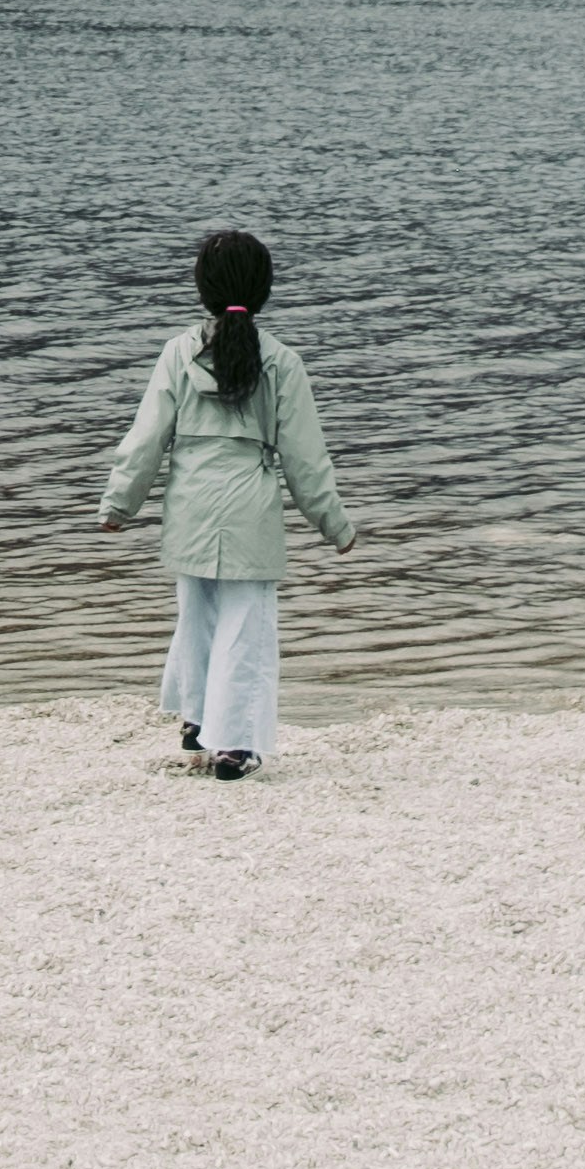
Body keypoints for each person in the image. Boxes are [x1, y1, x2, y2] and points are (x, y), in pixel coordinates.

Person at [96, 224, 353, 774]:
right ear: (262, 289)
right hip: (250, 510)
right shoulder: (281, 360)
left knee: (197, 616)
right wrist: (334, 525)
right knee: (247, 626)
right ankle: (234, 745)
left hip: (189, 504)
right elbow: (306, 460)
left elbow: (145, 440)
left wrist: (120, 505)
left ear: (203, 288)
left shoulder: (178, 353)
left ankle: (196, 720)